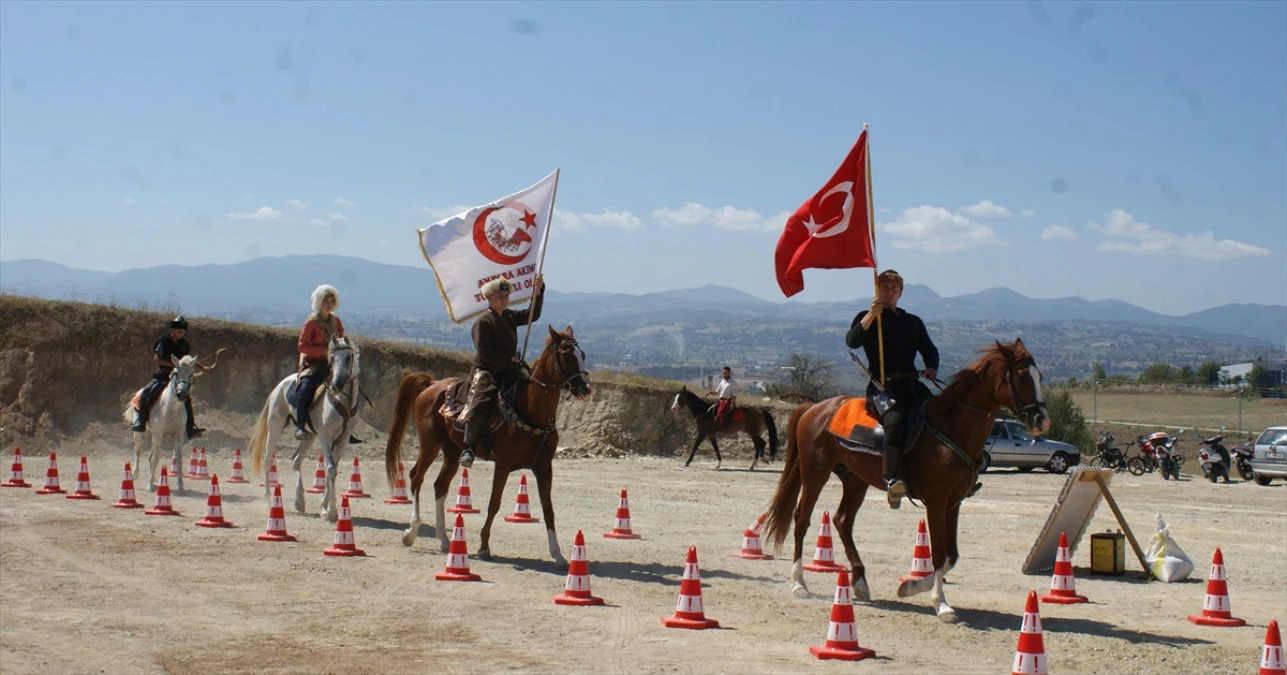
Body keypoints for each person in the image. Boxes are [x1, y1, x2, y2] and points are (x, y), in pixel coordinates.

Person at [845, 269, 939, 509]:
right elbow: (852, 341)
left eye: (894, 288)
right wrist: (870, 316)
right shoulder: (867, 317)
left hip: (911, 385)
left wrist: (931, 367)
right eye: (884, 287)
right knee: (896, 422)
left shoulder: (913, 322)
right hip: (882, 387)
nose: (889, 291)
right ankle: (892, 479)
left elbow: (929, 349)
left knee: (939, 415)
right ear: (877, 291)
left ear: (901, 292)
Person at [459, 273, 545, 468]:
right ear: (488, 298)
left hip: (509, 369)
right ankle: (469, 447)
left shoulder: (509, 316)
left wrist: (537, 292)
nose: (504, 300)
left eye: (506, 297)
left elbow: (533, 314)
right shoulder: (483, 322)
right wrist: (512, 361)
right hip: (487, 370)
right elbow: (485, 352)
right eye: (500, 297)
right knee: (481, 397)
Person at [131, 315, 209, 437]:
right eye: (179, 331)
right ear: (172, 330)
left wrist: (201, 366)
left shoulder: (184, 344)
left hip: (177, 378)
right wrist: (173, 365)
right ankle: (140, 423)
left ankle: (190, 428)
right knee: (146, 392)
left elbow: (186, 361)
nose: (181, 334)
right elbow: (157, 359)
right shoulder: (163, 342)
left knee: (186, 398)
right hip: (162, 376)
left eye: (183, 332)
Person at [294, 284, 344, 440]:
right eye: (325, 300)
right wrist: (323, 351)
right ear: (318, 302)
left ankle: (346, 425)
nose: (329, 304)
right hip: (314, 364)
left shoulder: (336, 321)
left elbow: (341, 339)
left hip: (333, 364)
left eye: (331, 301)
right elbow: (302, 346)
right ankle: (300, 426)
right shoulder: (311, 323)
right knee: (305, 391)